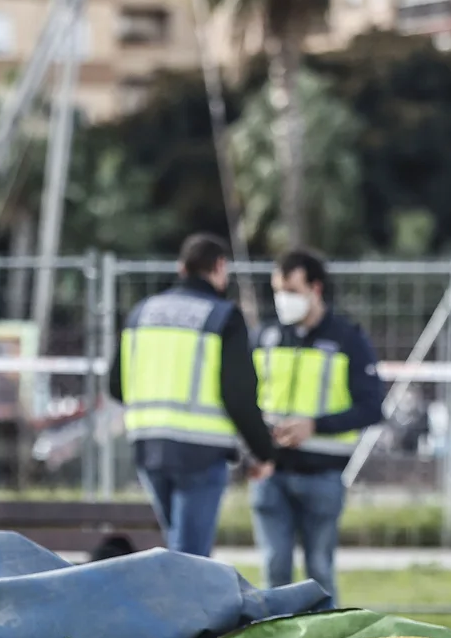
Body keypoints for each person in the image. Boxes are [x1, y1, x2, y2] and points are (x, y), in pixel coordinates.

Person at [108, 234, 278, 557]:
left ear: (181, 268)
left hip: (148, 446)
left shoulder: (142, 313)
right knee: (190, 557)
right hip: (200, 451)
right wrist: (264, 452)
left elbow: (116, 385)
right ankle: (183, 608)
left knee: (177, 549)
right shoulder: (222, 316)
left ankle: (174, 605)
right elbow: (238, 394)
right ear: (219, 267)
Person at [251, 248, 387, 595]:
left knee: (320, 573)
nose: (283, 300)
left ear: (316, 289)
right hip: (271, 473)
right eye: (278, 291)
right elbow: (246, 401)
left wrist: (315, 425)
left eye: (292, 291)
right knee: (274, 570)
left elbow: (372, 407)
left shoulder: (347, 339)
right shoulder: (265, 338)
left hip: (322, 475)